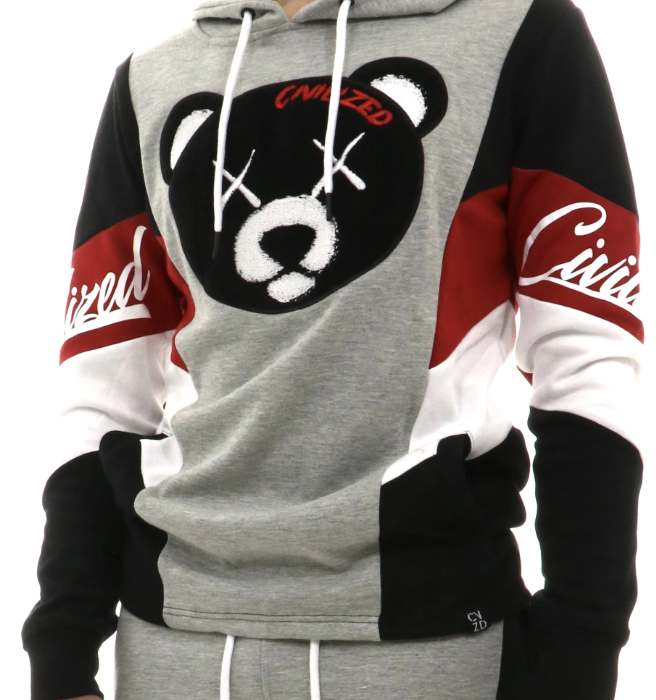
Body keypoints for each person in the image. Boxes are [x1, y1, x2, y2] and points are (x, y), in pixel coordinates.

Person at [22, 0, 644, 698]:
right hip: (173, 639)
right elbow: (103, 385)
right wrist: (62, 653)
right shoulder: (153, 79)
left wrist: (581, 654)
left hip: (426, 644)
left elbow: (587, 361)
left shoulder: (519, 35)